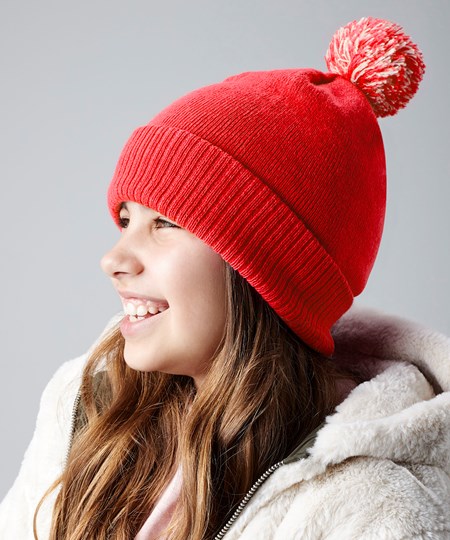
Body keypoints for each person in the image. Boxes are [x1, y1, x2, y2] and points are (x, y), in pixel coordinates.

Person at [1, 15, 449, 540]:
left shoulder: (371, 510)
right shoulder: (84, 412)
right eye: (126, 220)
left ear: (264, 269)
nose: (113, 258)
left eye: (165, 223)